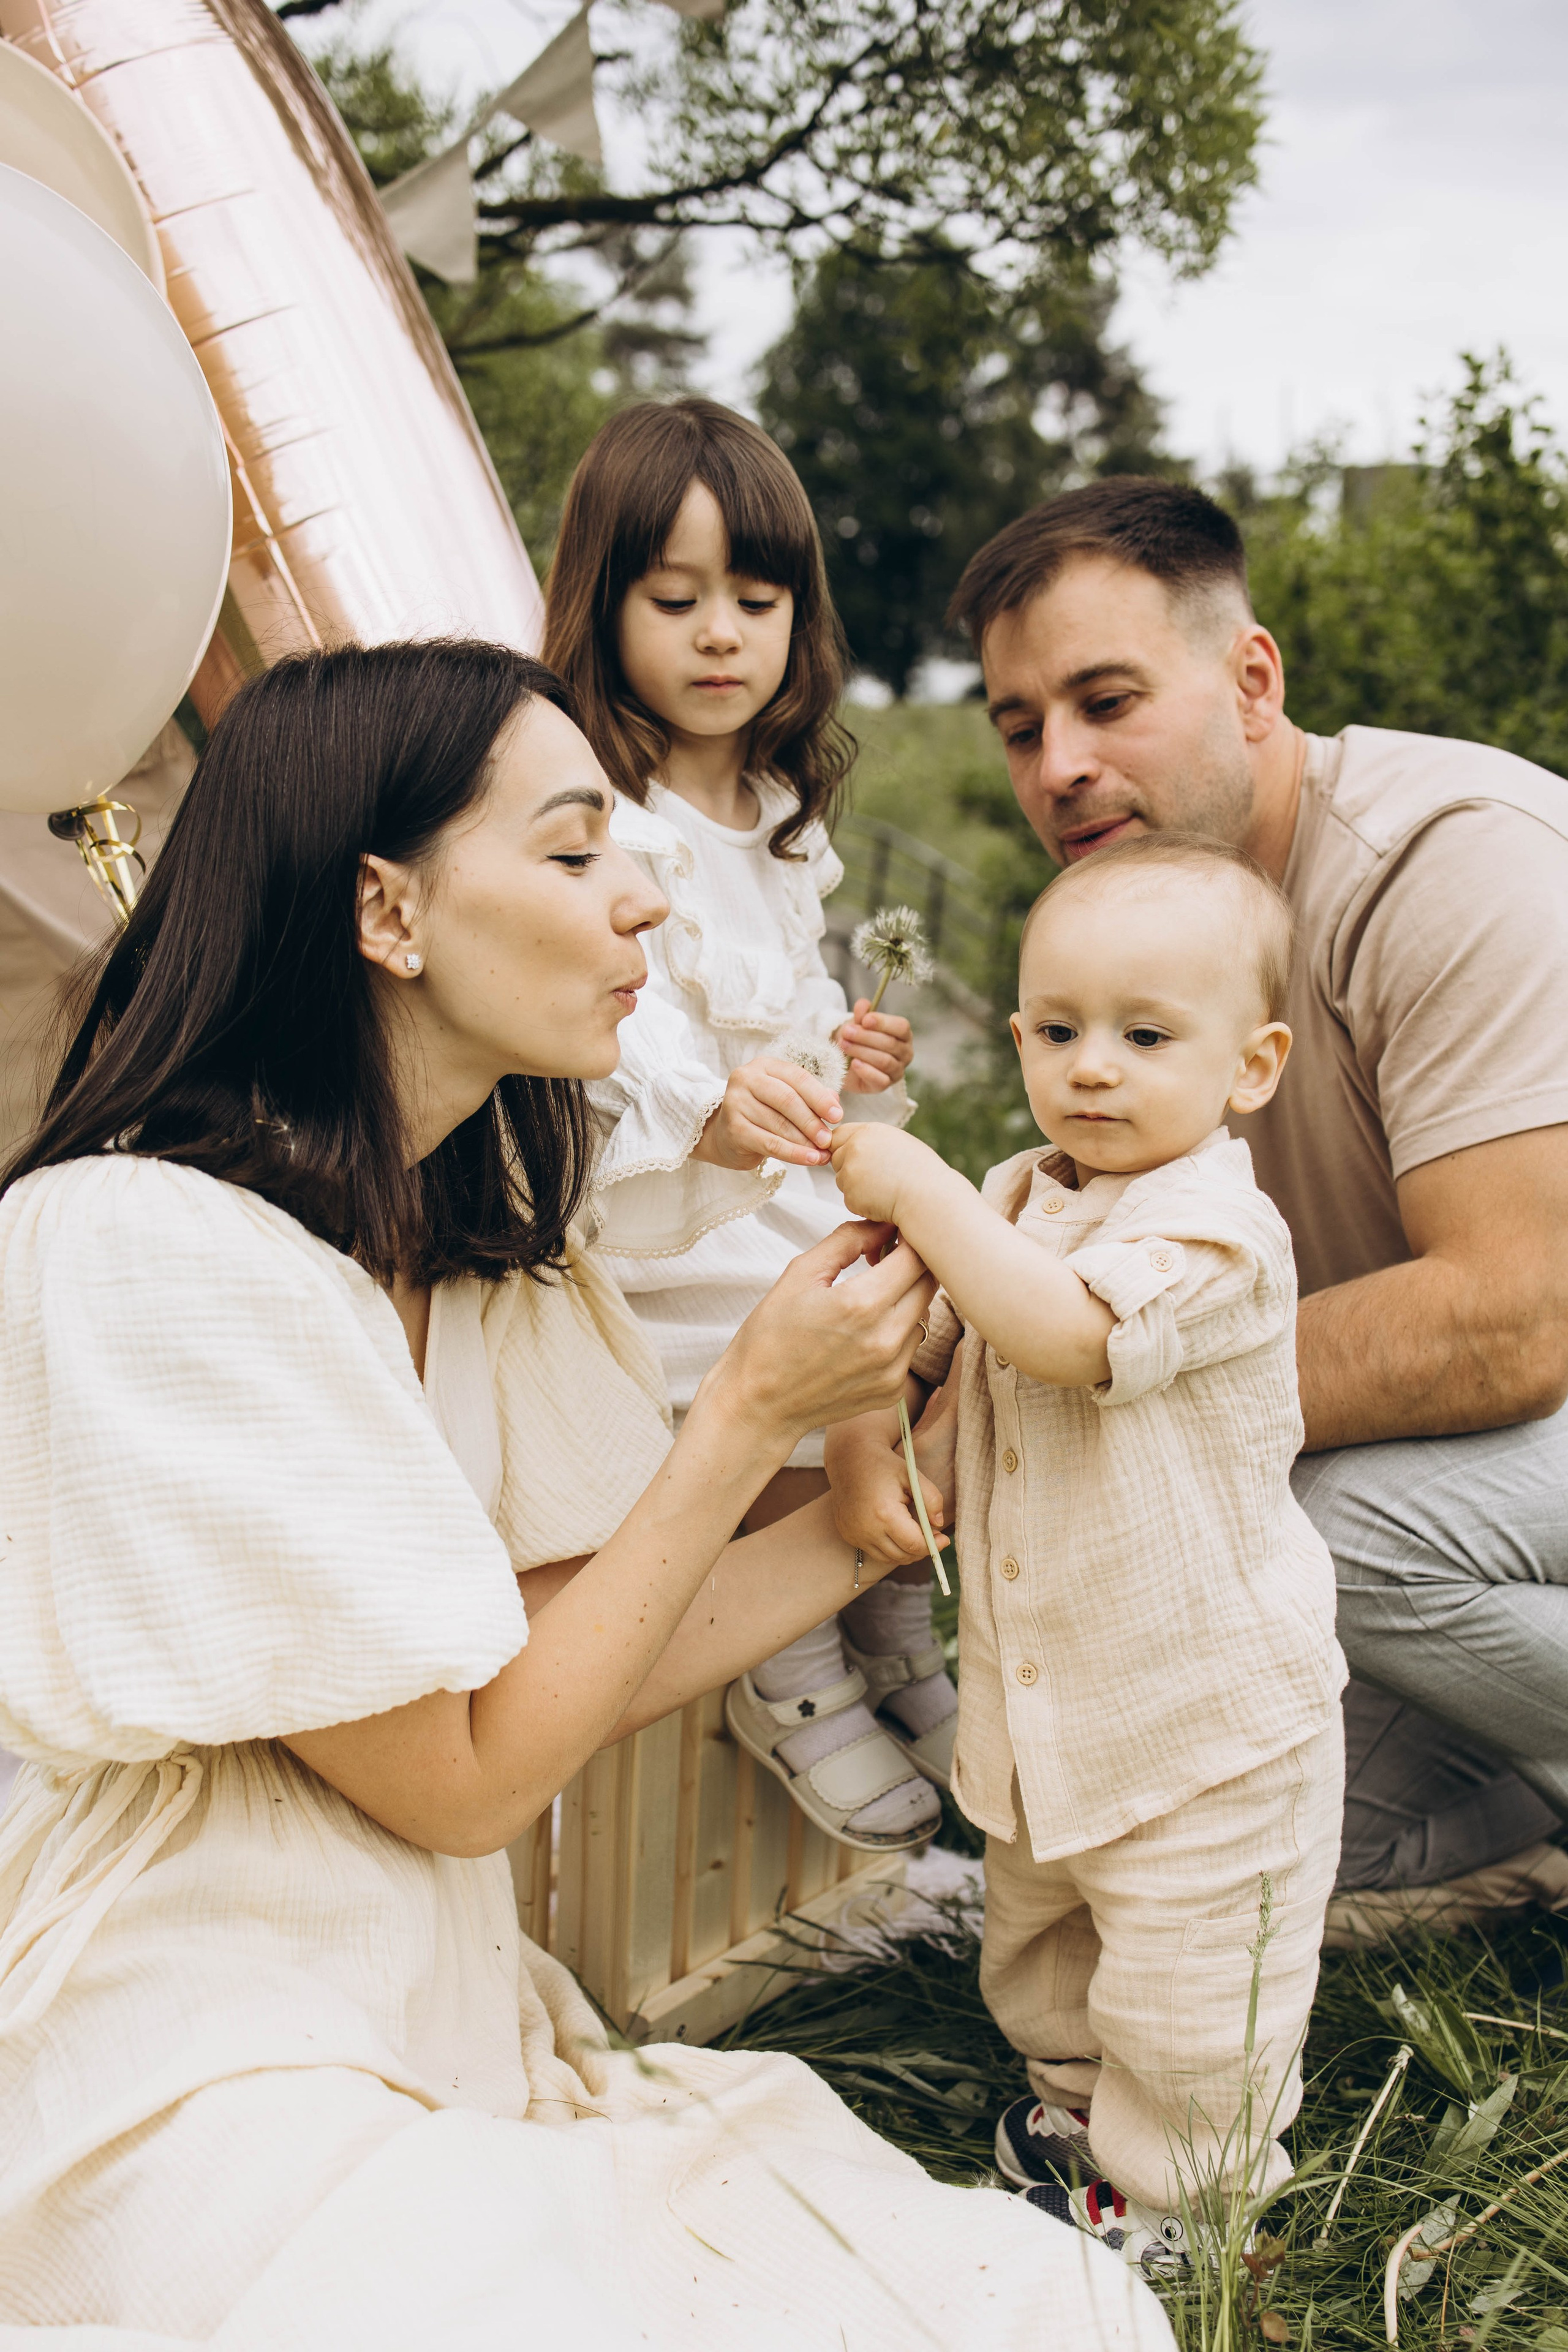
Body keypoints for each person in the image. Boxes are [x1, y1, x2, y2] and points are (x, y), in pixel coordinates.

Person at [0, 642, 1177, 2351]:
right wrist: (747, 1416)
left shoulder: (486, 1249)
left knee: (1046, 2312)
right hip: (185, 2013)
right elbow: (466, 1782)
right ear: (387, 910)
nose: (642, 898)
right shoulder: (136, 1243)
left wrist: (864, 1512)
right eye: (571, 850)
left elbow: (546, 1665)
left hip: (435, 2001)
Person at [946, 477, 1568, 1933]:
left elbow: (1512, 1320)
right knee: (1214, 1836)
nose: (1059, 767)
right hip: (1471, 1481)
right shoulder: (1146, 943)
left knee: (1327, 1527)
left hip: (1507, 1429)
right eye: (1021, 728)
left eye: (1106, 702)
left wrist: (1070, 1400)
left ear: (1250, 682)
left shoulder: (1449, 861)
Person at [823, 834, 1344, 2267]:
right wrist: (869, 1442)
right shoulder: (1015, 1198)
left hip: (1205, 1717)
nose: (1092, 1067)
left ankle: (1184, 2201)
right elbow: (923, 1347)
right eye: (1057, 1032)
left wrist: (916, 1191)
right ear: (1016, 1041)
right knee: (1041, 1938)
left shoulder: (1218, 1231)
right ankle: (1073, 2110)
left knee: (1190, 1986)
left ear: (1249, 1066)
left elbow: (1065, 1334)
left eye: (1143, 1036)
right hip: (1049, 1696)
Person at [541, 398, 957, 1855]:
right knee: (768, 1321)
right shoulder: (604, 812)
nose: (719, 635)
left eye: (756, 600)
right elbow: (621, 1033)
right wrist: (712, 1110)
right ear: (604, 608)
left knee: (914, 1295)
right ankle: (784, 1658)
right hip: (657, 1201)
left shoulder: (776, 813)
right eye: (674, 601)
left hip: (770, 1173)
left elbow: (778, 1019)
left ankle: (888, 1616)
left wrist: (847, 1060)